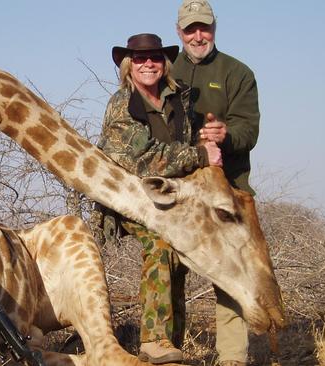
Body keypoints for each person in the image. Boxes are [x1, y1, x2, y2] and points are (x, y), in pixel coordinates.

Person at [98, 33, 222, 364]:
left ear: (164, 62)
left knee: (180, 257)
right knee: (160, 245)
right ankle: (153, 338)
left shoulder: (177, 99)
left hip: (168, 196)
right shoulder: (121, 102)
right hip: (129, 196)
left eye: (154, 57)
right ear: (129, 65)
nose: (148, 63)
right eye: (140, 59)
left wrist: (208, 138)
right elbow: (142, 160)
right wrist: (200, 155)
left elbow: (184, 139)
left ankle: (172, 346)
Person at [171, 1, 261, 365]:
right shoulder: (163, 68)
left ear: (215, 28)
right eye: (190, 29)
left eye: (204, 28)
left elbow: (249, 129)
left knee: (229, 276)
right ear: (179, 32)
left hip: (227, 189)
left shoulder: (237, 73)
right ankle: (168, 352)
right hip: (179, 193)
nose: (198, 36)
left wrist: (227, 133)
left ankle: (232, 358)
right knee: (168, 272)